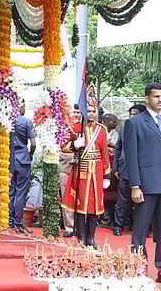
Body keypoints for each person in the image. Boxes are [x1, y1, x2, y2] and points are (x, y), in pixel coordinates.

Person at [63, 89, 110, 249]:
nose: (90, 114)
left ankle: (91, 238)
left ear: (97, 112)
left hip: (96, 172)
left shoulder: (102, 129)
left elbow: (104, 153)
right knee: (80, 205)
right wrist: (74, 146)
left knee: (94, 206)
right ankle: (81, 237)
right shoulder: (76, 128)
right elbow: (64, 147)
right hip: (81, 171)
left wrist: (107, 176)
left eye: (93, 111)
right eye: (88, 111)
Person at [124, 83, 161, 282]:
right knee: (140, 229)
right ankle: (138, 265)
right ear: (147, 99)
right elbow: (131, 157)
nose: (160, 100)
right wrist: (135, 185)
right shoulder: (135, 123)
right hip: (145, 185)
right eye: (156, 96)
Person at [112, 104, 146, 236]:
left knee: (141, 200)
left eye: (135, 114)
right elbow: (118, 148)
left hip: (143, 170)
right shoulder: (125, 127)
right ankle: (118, 225)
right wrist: (115, 167)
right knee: (123, 199)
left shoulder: (148, 127)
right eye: (131, 114)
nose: (132, 116)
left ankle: (138, 226)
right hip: (125, 169)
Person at [9, 99, 36, 234]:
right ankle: (18, 222)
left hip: (10, 159)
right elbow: (33, 143)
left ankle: (9, 222)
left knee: (11, 191)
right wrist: (30, 155)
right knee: (21, 192)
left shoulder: (9, 121)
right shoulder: (26, 122)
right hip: (23, 158)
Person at [59, 104, 81, 238]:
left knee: (81, 197)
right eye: (74, 112)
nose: (76, 115)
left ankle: (81, 226)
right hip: (66, 165)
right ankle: (69, 226)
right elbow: (59, 146)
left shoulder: (86, 128)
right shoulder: (64, 127)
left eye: (79, 112)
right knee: (66, 196)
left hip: (82, 166)